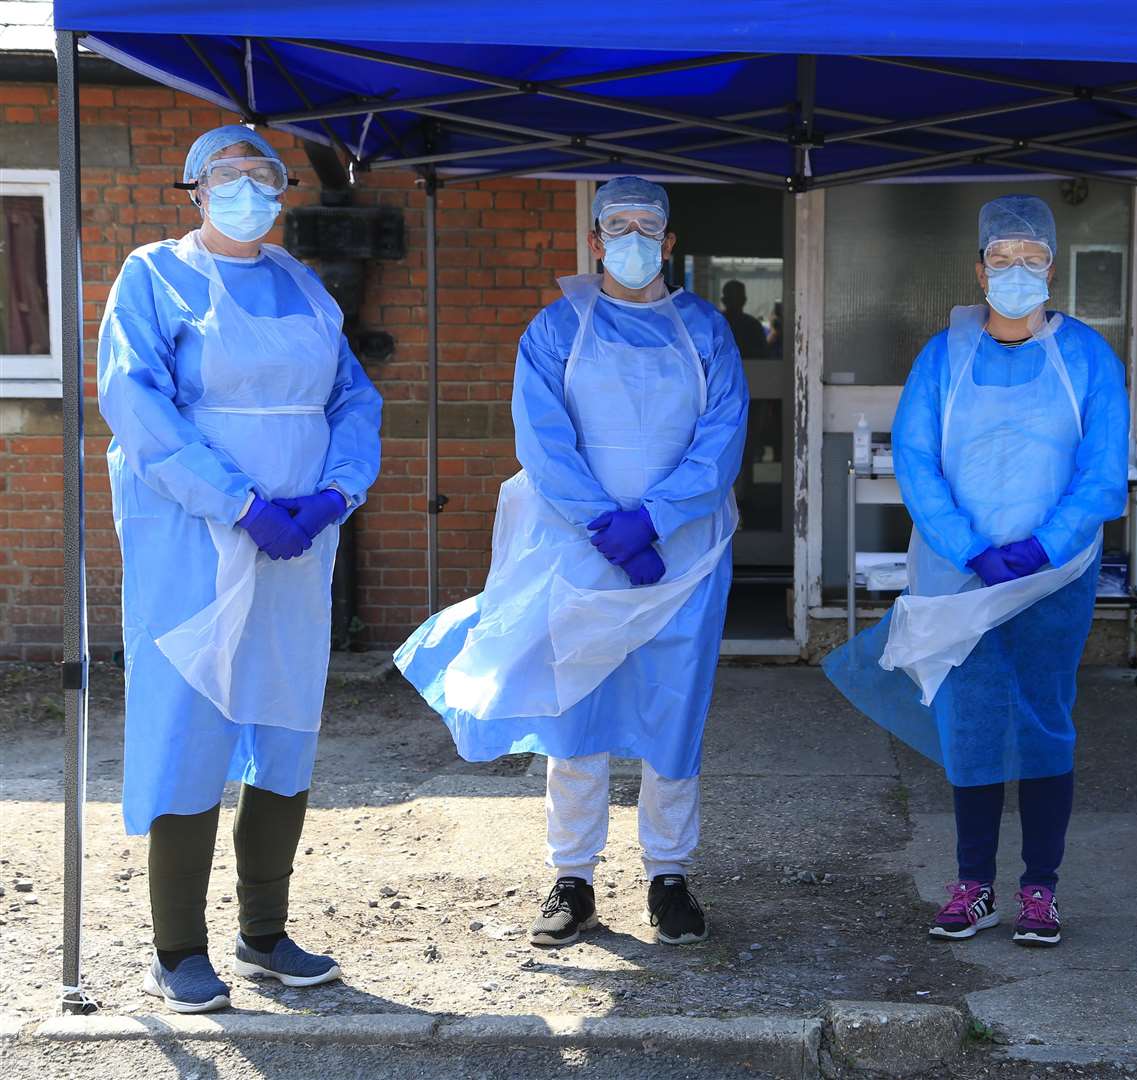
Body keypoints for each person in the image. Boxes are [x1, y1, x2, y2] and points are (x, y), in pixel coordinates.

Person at [396, 176, 747, 948]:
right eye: (615, 225)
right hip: (581, 549)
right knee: (574, 708)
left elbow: (720, 438)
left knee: (673, 713)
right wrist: (607, 526)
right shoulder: (556, 330)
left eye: (645, 226)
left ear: (670, 242)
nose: (631, 239)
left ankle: (670, 876)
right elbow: (544, 441)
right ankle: (573, 878)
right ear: (593, 241)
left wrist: (654, 521)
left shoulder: (706, 332)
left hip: (682, 556)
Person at [98, 124, 382, 1013]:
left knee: (286, 716)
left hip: (300, 540)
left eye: (265, 176)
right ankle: (177, 948)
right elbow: (138, 406)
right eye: (229, 176)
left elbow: (351, 397)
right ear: (193, 189)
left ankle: (265, 933)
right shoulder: (153, 276)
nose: (249, 190)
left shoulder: (303, 286)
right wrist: (240, 503)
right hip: (196, 537)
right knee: (191, 718)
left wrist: (335, 493)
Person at [825, 195, 1129, 948]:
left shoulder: (1088, 357)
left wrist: (1044, 547)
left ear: (1052, 269)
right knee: (972, 726)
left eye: (1032, 257)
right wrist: (972, 548)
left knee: (1045, 723)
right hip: (960, 576)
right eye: (1003, 256)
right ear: (979, 267)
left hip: (1052, 578)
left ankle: (1041, 890)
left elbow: (1101, 470)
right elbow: (918, 463)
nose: (1017, 270)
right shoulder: (944, 358)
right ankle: (972, 886)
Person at [720, 279, 769, 358]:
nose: (734, 303)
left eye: (736, 298)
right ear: (744, 300)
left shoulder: (715, 325)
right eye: (732, 298)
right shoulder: (753, 326)